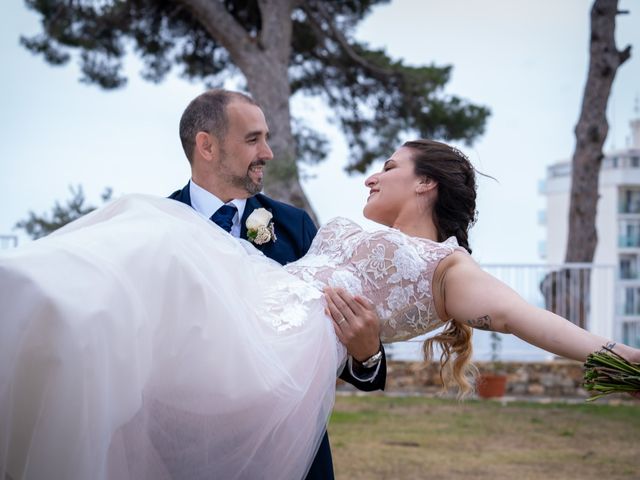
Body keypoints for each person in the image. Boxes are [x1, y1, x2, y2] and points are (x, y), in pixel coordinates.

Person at [1, 137, 638, 480]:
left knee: (155, 244)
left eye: (388, 166)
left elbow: (533, 320)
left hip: (269, 354)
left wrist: (628, 365)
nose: (371, 177)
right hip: (246, 307)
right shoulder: (321, 227)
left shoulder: (447, 269)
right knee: (142, 239)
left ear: (424, 183)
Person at [166, 89, 386, 480]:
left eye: (266, 138)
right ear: (207, 146)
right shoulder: (160, 228)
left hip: (290, 455)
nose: (267, 152)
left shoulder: (294, 226)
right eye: (253, 139)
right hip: (187, 453)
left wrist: (366, 356)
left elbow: (347, 346)